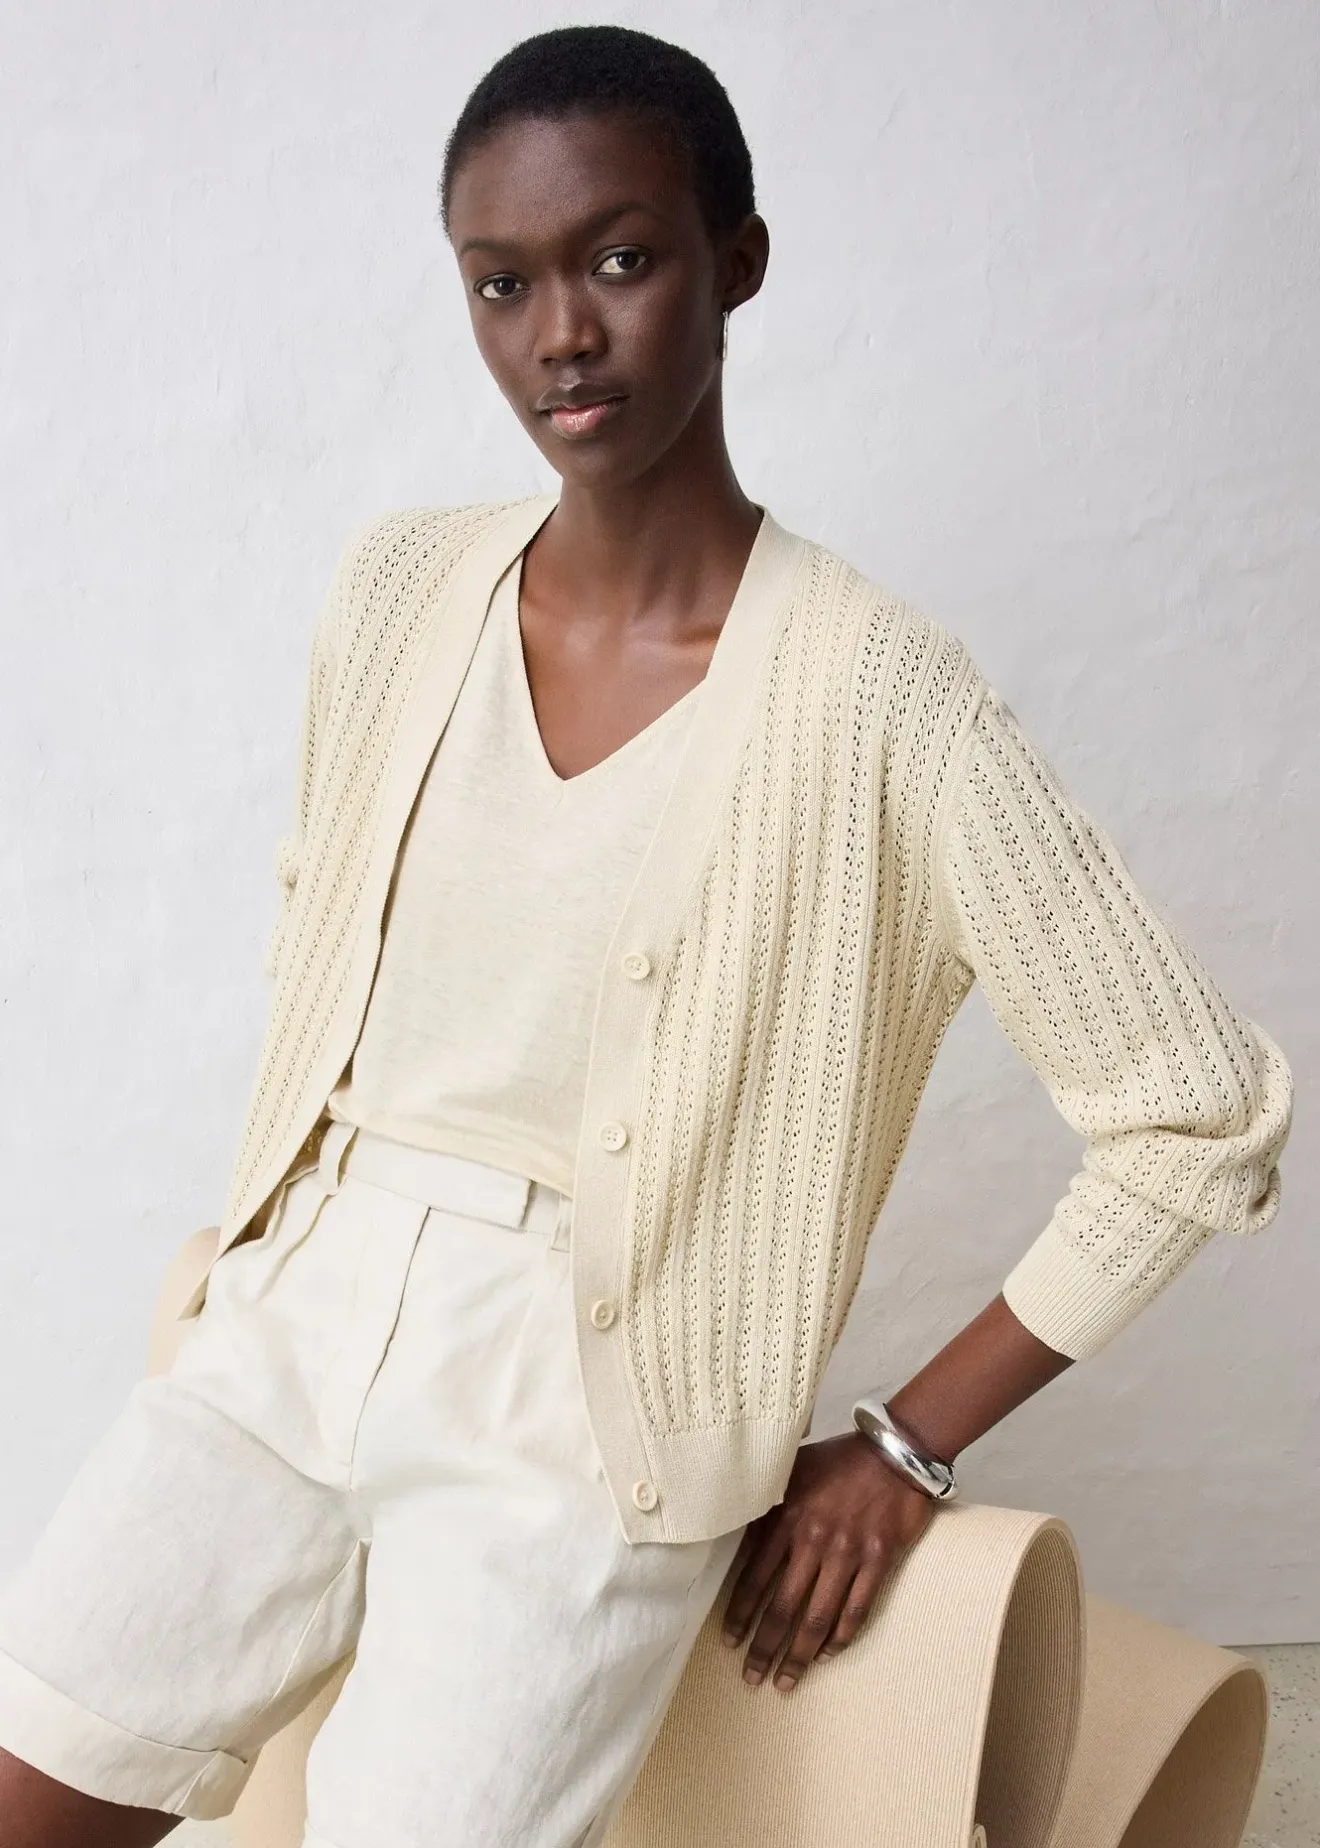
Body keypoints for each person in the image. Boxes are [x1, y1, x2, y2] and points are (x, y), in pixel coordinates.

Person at [0, 23, 1292, 1848]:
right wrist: (269, 1239)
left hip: (584, 1414)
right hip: (293, 1317)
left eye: (620, 259)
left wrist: (909, 1442)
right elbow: (319, 935)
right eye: (502, 283)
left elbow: (1198, 1109)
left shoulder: (881, 696)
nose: (563, 335)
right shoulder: (399, 591)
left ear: (734, 261)